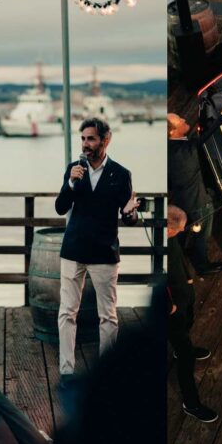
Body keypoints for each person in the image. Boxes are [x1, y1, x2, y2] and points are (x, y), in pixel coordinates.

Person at [54, 117, 140, 383]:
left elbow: (129, 217)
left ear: (106, 140)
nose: (85, 144)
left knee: (108, 316)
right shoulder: (74, 170)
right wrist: (70, 183)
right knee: (67, 312)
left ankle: (107, 374)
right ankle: (66, 371)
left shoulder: (121, 174)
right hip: (73, 250)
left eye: (91, 139)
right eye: (83, 139)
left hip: (104, 252)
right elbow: (60, 207)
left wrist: (130, 213)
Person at [167, 89, 222, 276]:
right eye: (179, 121)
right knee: (202, 234)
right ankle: (202, 267)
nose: (184, 119)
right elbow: (209, 133)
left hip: (182, 199)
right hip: (198, 202)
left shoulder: (169, 148)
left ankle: (183, 253)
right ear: (173, 131)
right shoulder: (186, 149)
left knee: (186, 232)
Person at [167, 205, 218, 423]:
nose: (182, 231)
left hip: (183, 293)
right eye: (178, 229)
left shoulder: (169, 238)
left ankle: (182, 348)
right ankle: (191, 403)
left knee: (189, 320)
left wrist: (187, 279)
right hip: (170, 309)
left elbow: (178, 255)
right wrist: (169, 307)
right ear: (168, 230)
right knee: (186, 358)